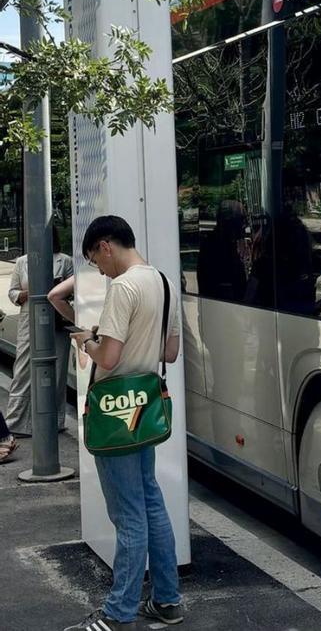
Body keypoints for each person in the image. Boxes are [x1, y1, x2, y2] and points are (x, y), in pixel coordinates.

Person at [63, 215, 185, 631]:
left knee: (129, 516)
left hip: (115, 411)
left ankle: (117, 614)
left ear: (106, 245)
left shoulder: (124, 287)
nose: (98, 268)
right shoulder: (163, 282)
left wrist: (87, 341)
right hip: (145, 408)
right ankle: (167, 601)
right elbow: (169, 353)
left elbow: (109, 358)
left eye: (95, 259)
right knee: (151, 504)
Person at [6, 228, 75, 436]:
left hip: (57, 319)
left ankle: (54, 421)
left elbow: (74, 290)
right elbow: (12, 293)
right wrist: (28, 293)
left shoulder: (65, 261)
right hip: (30, 316)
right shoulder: (22, 262)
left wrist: (58, 289)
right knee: (24, 369)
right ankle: (17, 422)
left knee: (56, 371)